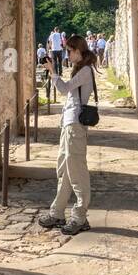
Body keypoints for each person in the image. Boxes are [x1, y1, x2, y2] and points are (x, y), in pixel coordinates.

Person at [38, 34, 98, 236]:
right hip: (68, 124)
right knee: (63, 169)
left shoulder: (86, 71)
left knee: (77, 171)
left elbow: (64, 90)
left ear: (79, 50)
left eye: (70, 51)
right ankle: (57, 212)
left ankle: (80, 216)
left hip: (76, 127)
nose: (68, 54)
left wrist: (53, 71)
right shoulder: (79, 70)